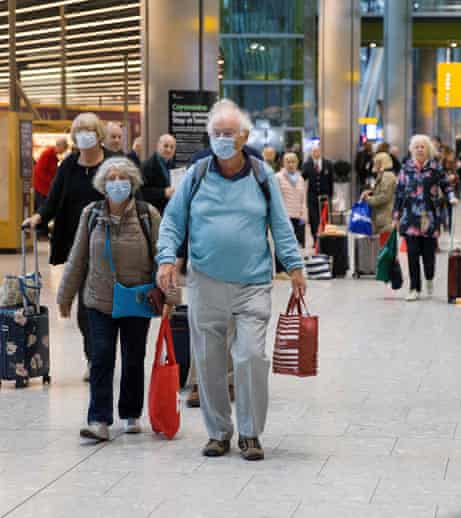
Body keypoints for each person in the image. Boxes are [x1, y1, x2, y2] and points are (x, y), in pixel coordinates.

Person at [156, 98, 306, 461]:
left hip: (252, 283)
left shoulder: (261, 175)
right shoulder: (197, 174)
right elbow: (173, 221)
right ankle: (218, 432)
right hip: (206, 281)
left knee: (251, 355)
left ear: (244, 136)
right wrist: (165, 259)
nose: (223, 139)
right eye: (217, 133)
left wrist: (296, 266)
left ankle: (250, 433)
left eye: (229, 133)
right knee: (208, 359)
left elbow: (281, 226)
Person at [57, 157, 178, 441]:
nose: (117, 182)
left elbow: (164, 256)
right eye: (111, 178)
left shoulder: (148, 215)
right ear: (102, 184)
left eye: (122, 177)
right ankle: (98, 419)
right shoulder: (91, 215)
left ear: (132, 182)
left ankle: (131, 413)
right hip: (99, 300)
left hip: (137, 300)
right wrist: (65, 294)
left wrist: (172, 295)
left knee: (134, 357)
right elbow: (77, 258)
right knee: (100, 358)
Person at [23, 113, 114, 381]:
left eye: (89, 129)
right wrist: (38, 217)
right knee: (86, 308)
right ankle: (94, 358)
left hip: (109, 246)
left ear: (98, 133)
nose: (84, 134)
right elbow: (52, 200)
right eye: (79, 130)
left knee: (106, 307)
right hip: (77, 247)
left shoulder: (112, 164)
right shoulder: (69, 166)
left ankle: (104, 353)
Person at [393, 134, 457, 302]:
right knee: (412, 254)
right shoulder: (405, 169)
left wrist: (451, 197)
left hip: (430, 218)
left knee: (428, 257)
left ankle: (429, 277)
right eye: (417, 147)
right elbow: (399, 193)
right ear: (412, 150)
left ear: (428, 149)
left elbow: (446, 185)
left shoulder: (435, 168)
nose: (420, 149)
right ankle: (414, 288)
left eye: (423, 146)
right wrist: (396, 215)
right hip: (410, 219)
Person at [275, 151, 308, 267]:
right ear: (283, 163)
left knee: (296, 244)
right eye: (287, 161)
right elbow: (276, 199)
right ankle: (280, 270)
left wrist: (304, 214)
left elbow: (303, 199)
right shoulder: (278, 177)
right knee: (283, 244)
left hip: (297, 216)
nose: (290, 164)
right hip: (284, 216)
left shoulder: (300, 179)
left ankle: (293, 268)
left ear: (297, 163)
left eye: (293, 161)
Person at [362, 146, 397, 247]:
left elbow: (384, 196)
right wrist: (371, 192)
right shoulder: (383, 175)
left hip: (385, 219)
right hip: (380, 218)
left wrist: (369, 200)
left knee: (385, 250)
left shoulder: (387, 177)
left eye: (376, 162)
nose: (374, 164)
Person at [32, 137, 68, 235]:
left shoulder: (52, 155)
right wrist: (52, 182)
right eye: (63, 149)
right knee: (43, 208)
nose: (63, 152)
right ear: (59, 146)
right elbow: (40, 171)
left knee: (45, 207)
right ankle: (41, 231)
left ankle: (43, 230)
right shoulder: (48, 154)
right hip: (41, 187)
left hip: (45, 186)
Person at [302, 145, 334, 245]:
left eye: (317, 151)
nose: (316, 153)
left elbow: (331, 181)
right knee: (313, 219)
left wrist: (330, 196)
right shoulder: (307, 164)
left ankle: (325, 240)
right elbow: (302, 177)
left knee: (325, 218)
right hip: (312, 196)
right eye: (314, 151)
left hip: (325, 196)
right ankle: (316, 240)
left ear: (321, 152)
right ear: (311, 153)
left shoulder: (328, 164)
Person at [141, 134, 177, 214]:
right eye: (166, 146)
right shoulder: (147, 166)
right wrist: (163, 193)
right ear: (158, 146)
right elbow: (142, 192)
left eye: (172, 147)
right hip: (154, 213)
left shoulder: (171, 164)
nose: (169, 150)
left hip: (168, 210)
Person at [441, 146, 461, 232]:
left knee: (450, 211)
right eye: (451, 154)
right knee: (443, 210)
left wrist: (455, 177)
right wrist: (448, 178)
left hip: (452, 190)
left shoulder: (452, 164)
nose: (453, 156)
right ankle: (445, 225)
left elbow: (456, 176)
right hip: (443, 191)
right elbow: (440, 178)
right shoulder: (442, 165)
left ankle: (449, 229)